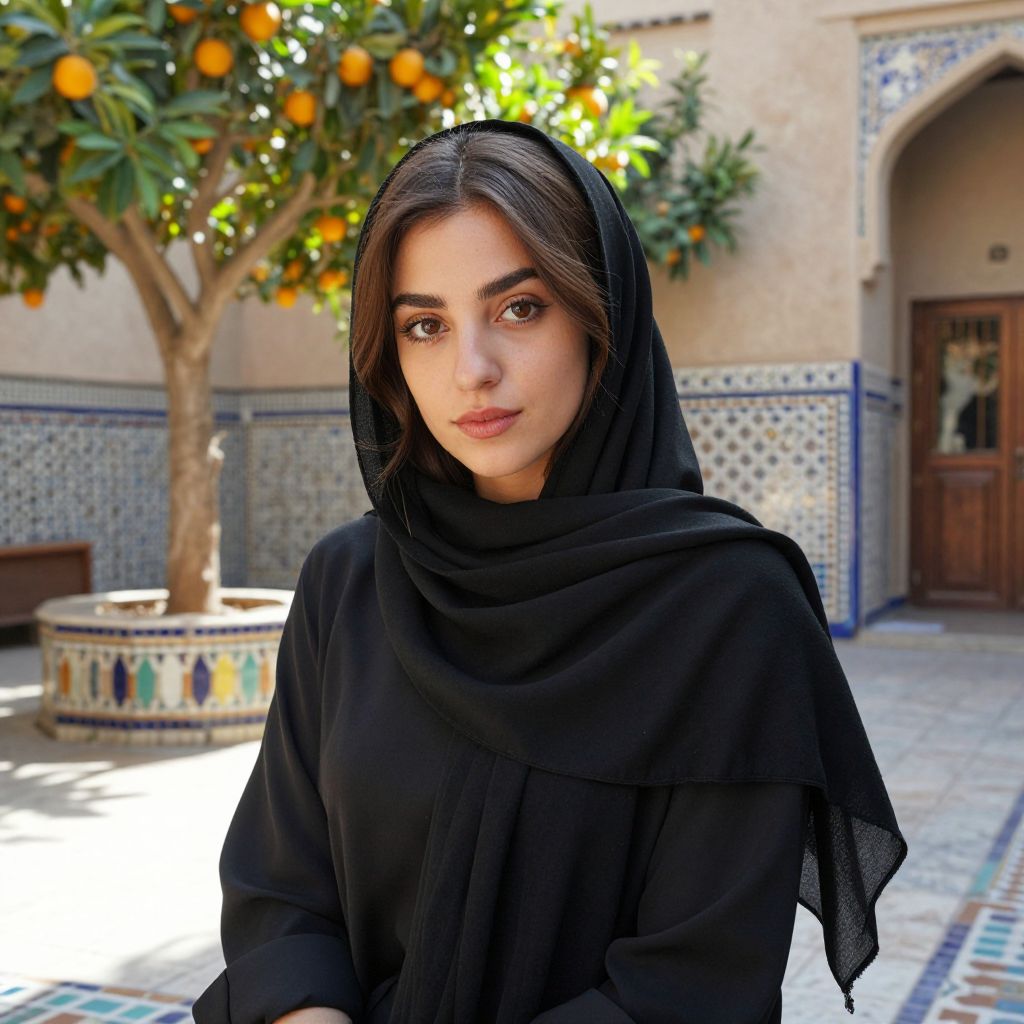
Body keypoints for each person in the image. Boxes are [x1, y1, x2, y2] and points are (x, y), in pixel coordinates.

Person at [191, 118, 907, 1024]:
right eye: (425, 325)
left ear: (600, 314)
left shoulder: (729, 609)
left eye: (519, 308)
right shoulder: (349, 583)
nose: (471, 370)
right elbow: (280, 887)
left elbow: (697, 984)